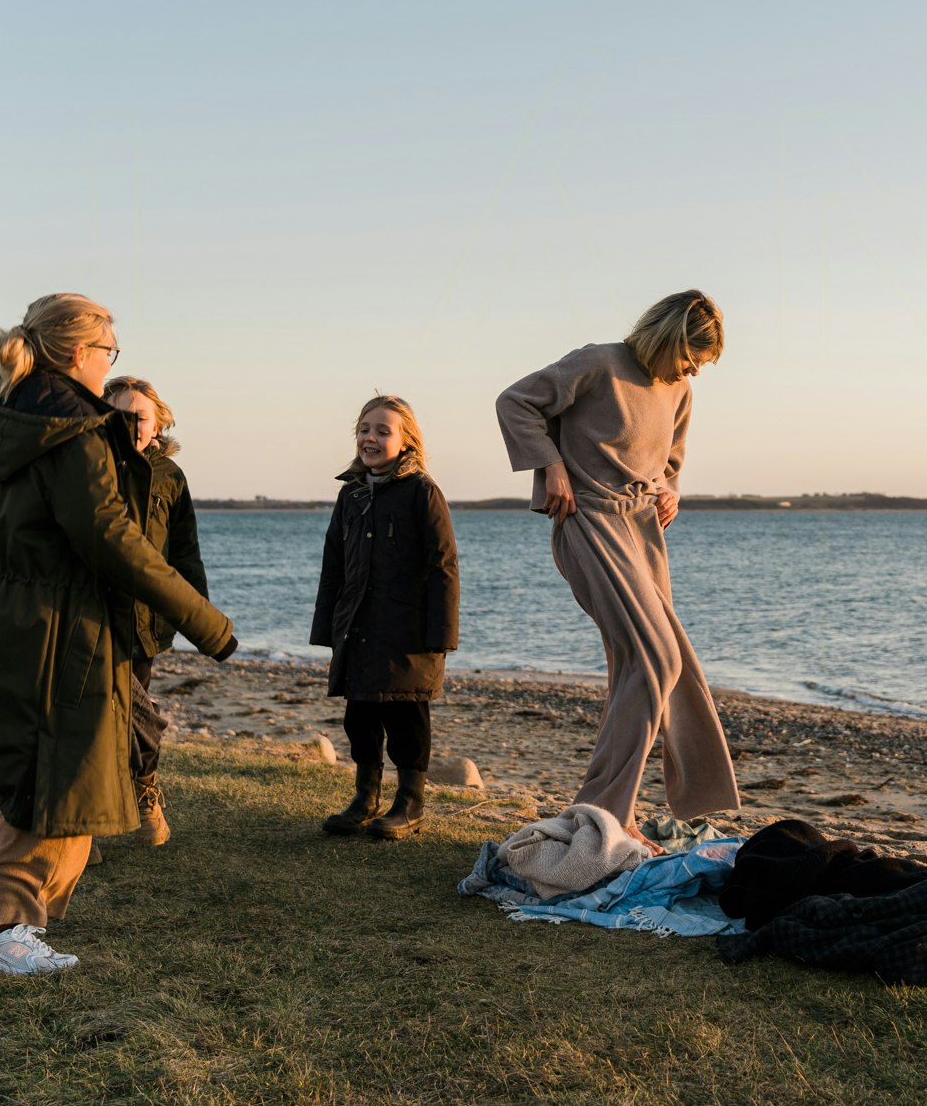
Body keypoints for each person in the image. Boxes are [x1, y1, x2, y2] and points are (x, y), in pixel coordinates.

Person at [0, 293, 238, 975]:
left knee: (51, 784)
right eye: (109, 351)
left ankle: (5, 931)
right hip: (59, 629)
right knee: (57, 787)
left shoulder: (9, 419)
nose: (112, 361)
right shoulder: (74, 429)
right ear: (80, 353)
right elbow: (112, 538)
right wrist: (206, 621)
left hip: (6, 611)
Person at [495, 290, 740, 853]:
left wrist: (671, 490)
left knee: (643, 665)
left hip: (643, 531)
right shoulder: (598, 362)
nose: (695, 370)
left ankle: (604, 807)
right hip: (589, 521)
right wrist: (550, 467)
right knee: (659, 658)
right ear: (670, 337)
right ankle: (611, 810)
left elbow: (670, 459)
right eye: (692, 357)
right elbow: (515, 402)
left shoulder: (679, 391)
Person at [309, 395, 461, 839]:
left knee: (406, 718)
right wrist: (327, 628)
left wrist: (441, 633)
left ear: (406, 440)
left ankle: (410, 803)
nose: (370, 438)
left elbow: (444, 566)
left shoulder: (422, 492)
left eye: (382, 431)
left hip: (407, 632)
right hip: (356, 628)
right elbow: (332, 564)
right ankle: (365, 798)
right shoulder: (350, 494)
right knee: (359, 718)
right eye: (364, 429)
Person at [102, 374, 206, 847]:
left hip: (146, 620)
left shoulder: (170, 476)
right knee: (102, 720)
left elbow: (185, 551)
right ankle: (87, 826)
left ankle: (144, 793)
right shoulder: (94, 466)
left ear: (158, 421)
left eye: (139, 417)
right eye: (119, 416)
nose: (131, 426)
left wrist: (195, 614)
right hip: (94, 615)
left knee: (135, 712)